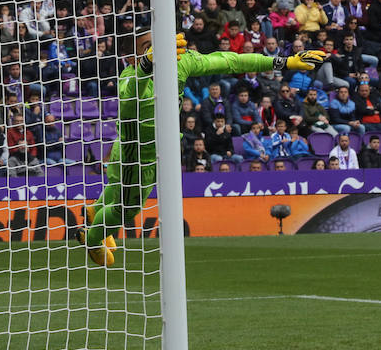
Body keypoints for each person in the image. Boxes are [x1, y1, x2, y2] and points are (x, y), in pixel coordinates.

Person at [85, 31, 325, 266]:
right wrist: (147, 66)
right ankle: (93, 240)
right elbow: (129, 101)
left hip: (152, 147)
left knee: (116, 187)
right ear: (132, 59)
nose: (155, 50)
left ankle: (95, 211)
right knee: (126, 209)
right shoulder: (130, 76)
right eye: (147, 47)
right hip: (135, 154)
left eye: (157, 43)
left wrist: (283, 62)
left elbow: (230, 60)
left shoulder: (180, 62)